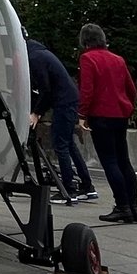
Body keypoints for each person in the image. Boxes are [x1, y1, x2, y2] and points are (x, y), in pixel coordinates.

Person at [77, 23, 137, 223]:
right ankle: (134, 207)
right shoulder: (118, 59)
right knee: (124, 161)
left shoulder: (88, 58)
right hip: (120, 115)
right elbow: (131, 89)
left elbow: (87, 90)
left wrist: (81, 114)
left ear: (85, 41)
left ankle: (122, 207)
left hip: (101, 115)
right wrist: (129, 107)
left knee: (110, 162)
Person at [28, 37, 96, 204]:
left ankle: (68, 189)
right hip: (70, 99)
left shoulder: (34, 58)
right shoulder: (41, 53)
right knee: (69, 145)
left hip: (63, 102)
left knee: (61, 145)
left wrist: (36, 112)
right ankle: (87, 187)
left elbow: (45, 89)